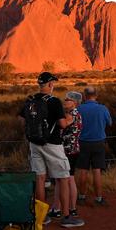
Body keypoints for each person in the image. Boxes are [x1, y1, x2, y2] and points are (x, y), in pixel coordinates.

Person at [19, 72, 84, 228]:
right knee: (63, 178)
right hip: (53, 144)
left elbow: (22, 120)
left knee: (40, 179)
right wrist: (69, 120)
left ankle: (41, 217)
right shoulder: (54, 101)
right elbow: (62, 124)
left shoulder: (31, 100)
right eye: (52, 83)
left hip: (34, 144)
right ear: (50, 85)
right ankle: (67, 216)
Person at [48, 91, 83, 219]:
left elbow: (63, 125)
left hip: (66, 151)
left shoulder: (70, 115)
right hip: (74, 150)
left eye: (68, 100)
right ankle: (70, 208)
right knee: (69, 179)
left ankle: (59, 209)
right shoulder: (78, 114)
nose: (65, 101)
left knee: (62, 180)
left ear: (74, 103)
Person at [76, 86, 112, 206]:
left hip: (83, 143)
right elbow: (110, 123)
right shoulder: (102, 108)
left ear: (84, 96)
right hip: (98, 142)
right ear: (96, 95)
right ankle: (98, 198)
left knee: (83, 170)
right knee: (97, 171)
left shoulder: (79, 108)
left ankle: (81, 197)